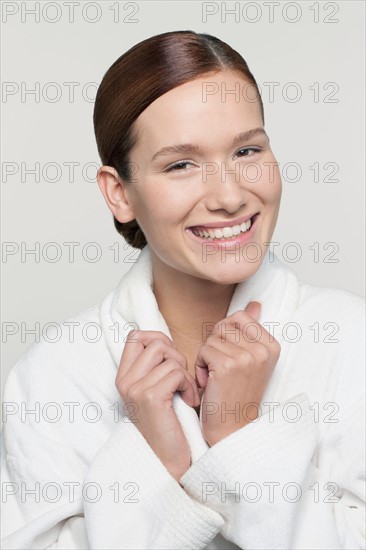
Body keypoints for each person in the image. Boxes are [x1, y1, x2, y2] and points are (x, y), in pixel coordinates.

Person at [1, 30, 365, 550]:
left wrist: (241, 436)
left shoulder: (352, 340)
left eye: (246, 150)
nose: (230, 195)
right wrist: (150, 461)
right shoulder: (54, 376)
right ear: (119, 193)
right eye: (181, 164)